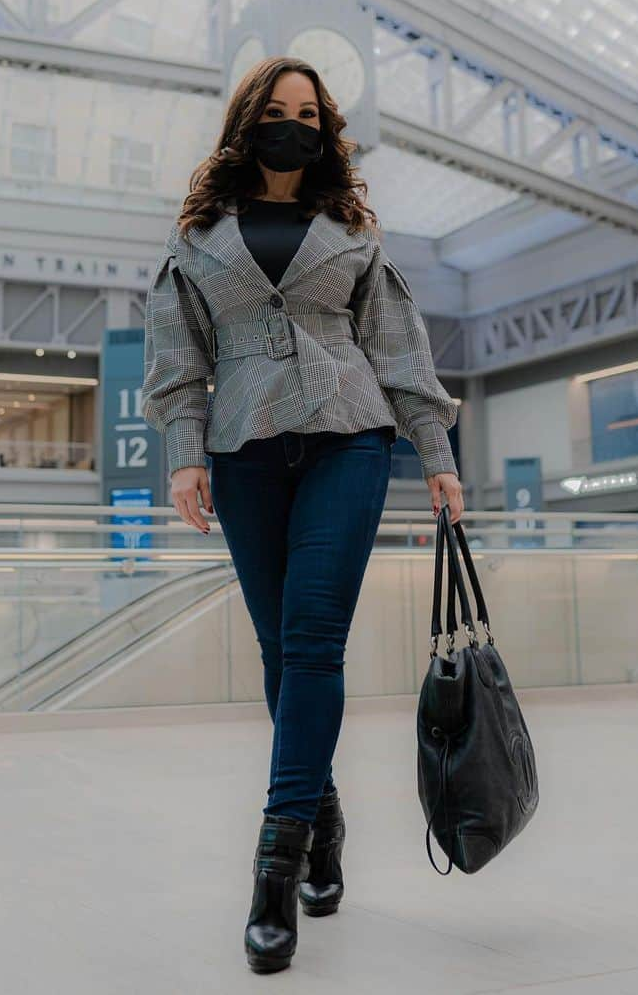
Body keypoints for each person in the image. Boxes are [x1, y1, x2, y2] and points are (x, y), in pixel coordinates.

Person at [141, 55, 464, 975]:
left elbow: (400, 351)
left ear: (327, 130)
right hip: (245, 450)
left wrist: (436, 458)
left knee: (315, 640)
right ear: (248, 121)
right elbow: (178, 364)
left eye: (311, 114)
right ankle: (322, 820)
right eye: (280, 111)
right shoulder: (199, 235)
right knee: (282, 652)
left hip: (348, 439)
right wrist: (184, 460)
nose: (297, 125)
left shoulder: (353, 231)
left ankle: (273, 870)